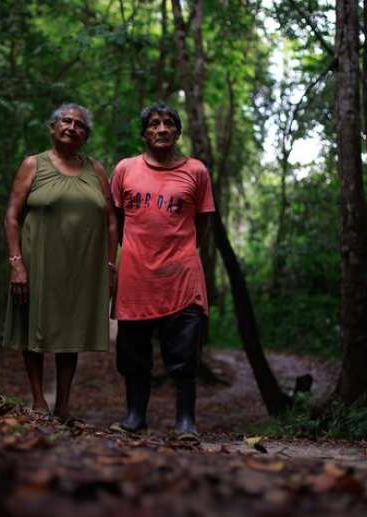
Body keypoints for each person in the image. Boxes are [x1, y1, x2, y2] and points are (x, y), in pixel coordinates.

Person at [2, 103, 117, 420]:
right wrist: (16, 264)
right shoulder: (32, 165)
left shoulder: (96, 170)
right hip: (36, 262)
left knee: (72, 332)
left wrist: (110, 267)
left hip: (81, 268)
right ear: (52, 128)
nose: (72, 127)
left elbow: (111, 221)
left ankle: (64, 405)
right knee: (31, 329)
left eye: (79, 124)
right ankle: (38, 400)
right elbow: (12, 217)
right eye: (65, 121)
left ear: (86, 135)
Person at [110, 102, 215, 439]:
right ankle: (134, 417)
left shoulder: (196, 171)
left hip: (181, 276)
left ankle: (185, 422)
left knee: (184, 353)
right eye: (154, 123)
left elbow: (204, 221)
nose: (162, 128)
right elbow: (115, 218)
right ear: (144, 134)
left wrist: (180, 251)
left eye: (169, 123)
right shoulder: (125, 169)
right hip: (135, 276)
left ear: (178, 132)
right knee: (133, 353)